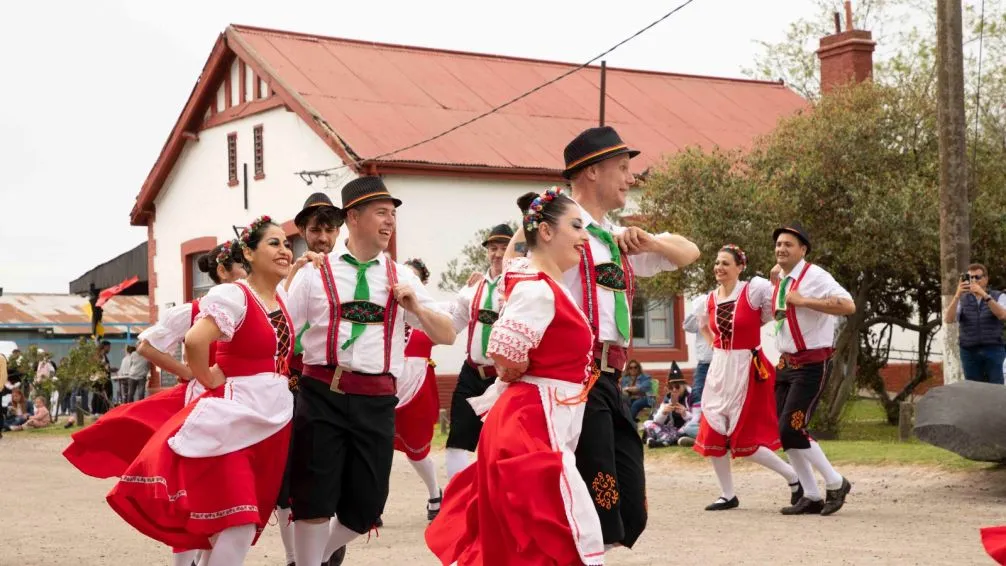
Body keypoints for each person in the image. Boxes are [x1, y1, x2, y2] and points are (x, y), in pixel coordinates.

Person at [506, 126, 700, 549]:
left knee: (631, 512)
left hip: (610, 380)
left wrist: (649, 240)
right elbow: (514, 267)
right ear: (593, 172)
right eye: (624, 168)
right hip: (572, 382)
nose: (631, 178)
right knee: (596, 508)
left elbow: (690, 252)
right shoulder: (557, 227)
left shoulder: (617, 240)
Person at [427, 186, 605, 565]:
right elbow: (504, 352)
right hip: (532, 421)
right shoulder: (539, 289)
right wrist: (520, 370)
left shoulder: (540, 279)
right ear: (546, 232)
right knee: (561, 528)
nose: (584, 236)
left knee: (529, 535)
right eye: (576, 226)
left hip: (541, 416)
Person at [285, 176, 455, 566]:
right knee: (312, 498)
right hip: (321, 393)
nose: (389, 222)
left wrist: (417, 306)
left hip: (377, 401)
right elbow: (282, 332)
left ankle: (311, 558)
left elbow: (445, 334)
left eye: (393, 215)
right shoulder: (315, 273)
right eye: (381, 213)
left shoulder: (401, 276)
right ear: (354, 217)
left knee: (366, 508)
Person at [691, 245, 801, 511]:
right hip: (720, 367)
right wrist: (716, 345)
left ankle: (794, 478)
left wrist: (778, 278)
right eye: (717, 263)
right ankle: (728, 494)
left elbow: (776, 306)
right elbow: (703, 325)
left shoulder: (753, 291)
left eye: (725, 263)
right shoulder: (708, 300)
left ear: (740, 267)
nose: (719, 267)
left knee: (745, 440)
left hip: (747, 367)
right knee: (714, 432)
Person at [277, 192, 345, 566]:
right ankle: (295, 557)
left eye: (330, 229)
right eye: (316, 229)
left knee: (333, 475)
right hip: (289, 383)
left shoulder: (348, 271)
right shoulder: (291, 270)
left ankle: (328, 554)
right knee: (291, 479)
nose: (323, 237)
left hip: (331, 384)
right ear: (302, 230)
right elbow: (276, 319)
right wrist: (295, 271)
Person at [770, 224, 855, 516]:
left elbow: (848, 305)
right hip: (784, 363)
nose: (781, 249)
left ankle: (836, 482)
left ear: (803, 249)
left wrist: (804, 301)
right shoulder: (781, 278)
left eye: (788, 245)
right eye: (779, 244)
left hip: (810, 364)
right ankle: (811, 495)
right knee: (785, 434)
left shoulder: (816, 276)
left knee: (791, 428)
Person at [443, 223, 513, 479]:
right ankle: (456, 504)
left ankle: (496, 503)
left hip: (505, 378)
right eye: (492, 248)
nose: (497, 254)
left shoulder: (522, 285)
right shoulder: (472, 288)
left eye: (503, 249)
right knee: (457, 440)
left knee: (502, 444)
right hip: (471, 373)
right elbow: (451, 326)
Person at [393, 257, 443, 521]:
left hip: (417, 390)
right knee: (373, 450)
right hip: (383, 388)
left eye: (413, 278)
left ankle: (435, 492)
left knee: (417, 451)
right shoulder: (388, 314)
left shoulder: (428, 316)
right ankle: (371, 505)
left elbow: (453, 324)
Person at [943, 263, 1006, 384]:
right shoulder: (962, 298)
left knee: (996, 388)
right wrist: (957, 295)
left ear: (986, 279)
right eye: (970, 277)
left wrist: (984, 294)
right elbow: (949, 319)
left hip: (993, 349)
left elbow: (1002, 315)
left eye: (977, 277)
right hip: (969, 351)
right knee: (973, 389)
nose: (973, 281)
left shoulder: (999, 296)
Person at [641, 373, 693, 448]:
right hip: (670, 429)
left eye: (677, 386)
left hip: (684, 428)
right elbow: (657, 421)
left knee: (684, 430)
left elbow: (696, 420)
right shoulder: (667, 398)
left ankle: (660, 441)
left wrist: (685, 414)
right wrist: (663, 413)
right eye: (671, 387)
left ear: (684, 385)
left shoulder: (691, 397)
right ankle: (655, 439)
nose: (674, 390)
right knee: (648, 423)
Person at [683, 293, 714, 409]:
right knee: (697, 393)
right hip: (704, 364)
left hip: (722, 362)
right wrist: (699, 309)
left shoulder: (721, 315)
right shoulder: (701, 316)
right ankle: (698, 421)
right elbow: (687, 326)